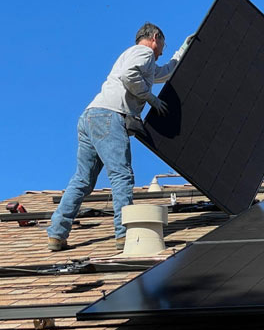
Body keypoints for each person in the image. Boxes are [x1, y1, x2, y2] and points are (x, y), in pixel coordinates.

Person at [47, 22, 193, 251]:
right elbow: (129, 75)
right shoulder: (143, 52)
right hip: (109, 116)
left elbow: (164, 73)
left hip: (90, 117)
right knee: (121, 175)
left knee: (82, 180)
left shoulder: (135, 56)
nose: (163, 50)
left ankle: (56, 234)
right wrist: (151, 99)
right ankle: (124, 235)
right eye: (163, 44)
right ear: (155, 37)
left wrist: (183, 50)